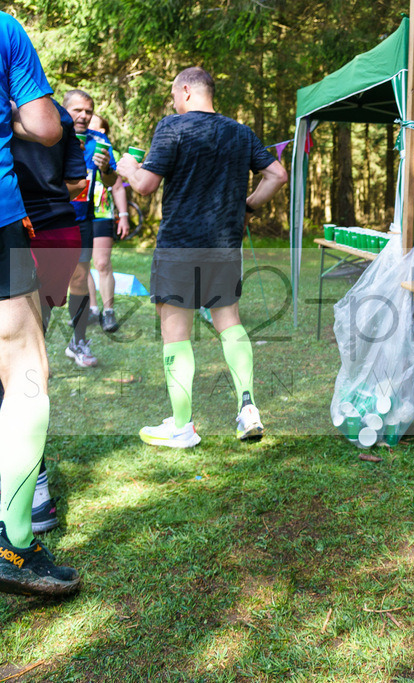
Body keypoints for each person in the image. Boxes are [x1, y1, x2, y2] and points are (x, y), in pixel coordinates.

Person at [116, 66, 287, 447]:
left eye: (174, 94)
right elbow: (277, 174)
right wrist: (248, 207)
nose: (173, 102)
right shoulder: (240, 132)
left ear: (187, 90)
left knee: (176, 332)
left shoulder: (172, 127)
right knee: (229, 321)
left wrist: (128, 167)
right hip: (225, 243)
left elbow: (144, 185)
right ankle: (248, 408)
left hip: (180, 244)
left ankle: (182, 427)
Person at [0, 10, 81, 596]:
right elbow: (45, 125)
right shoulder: (4, 27)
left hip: (50, 230)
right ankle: (15, 545)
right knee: (26, 366)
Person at [11, 98, 87, 535]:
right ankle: (33, 487)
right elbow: (77, 181)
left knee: (17, 364)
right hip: (60, 230)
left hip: (22, 232)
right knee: (25, 355)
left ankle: (32, 487)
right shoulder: (56, 112)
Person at [63, 88, 118, 367]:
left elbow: (109, 182)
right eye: (77, 110)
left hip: (83, 218)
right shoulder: (52, 134)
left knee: (79, 280)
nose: (84, 116)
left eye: (88, 110)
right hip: (50, 217)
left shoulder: (99, 139)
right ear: (64, 110)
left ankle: (78, 342)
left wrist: (107, 168)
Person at [84, 113, 130, 333]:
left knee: (101, 263)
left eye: (95, 125)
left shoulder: (109, 151)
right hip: (79, 212)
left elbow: (118, 187)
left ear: (102, 131)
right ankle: (92, 310)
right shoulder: (74, 145)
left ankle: (108, 311)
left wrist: (123, 216)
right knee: (82, 266)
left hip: (102, 212)